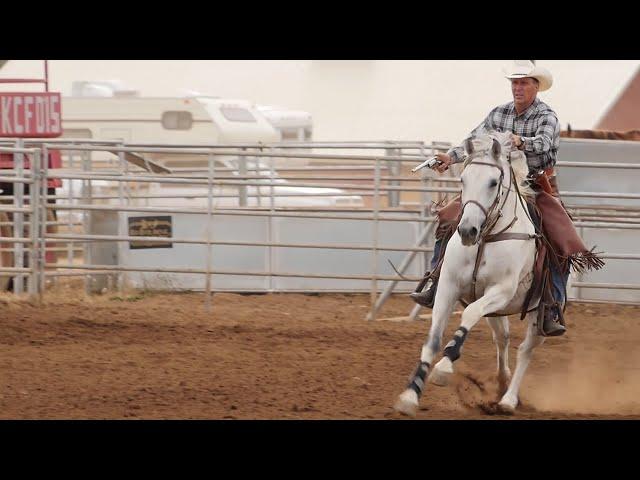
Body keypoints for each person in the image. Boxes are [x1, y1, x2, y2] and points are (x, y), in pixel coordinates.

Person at [410, 60, 568, 336]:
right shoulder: (498, 113)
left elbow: (545, 146)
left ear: (536, 86)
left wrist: (522, 142)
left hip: (533, 184)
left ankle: (551, 305)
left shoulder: (547, 117)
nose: (517, 88)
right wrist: (450, 157)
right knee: (448, 218)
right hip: (493, 185)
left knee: (561, 237)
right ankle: (435, 282)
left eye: (523, 83)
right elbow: (475, 139)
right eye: (514, 83)